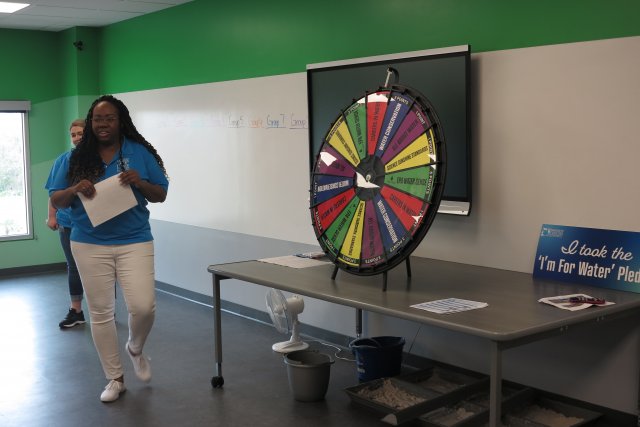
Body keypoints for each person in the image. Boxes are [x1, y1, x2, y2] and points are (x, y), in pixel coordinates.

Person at [46, 95, 169, 403]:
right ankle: (114, 378)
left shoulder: (138, 153)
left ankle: (135, 347)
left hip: (135, 240)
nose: (103, 124)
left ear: (120, 121)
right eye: (98, 119)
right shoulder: (72, 159)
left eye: (109, 118)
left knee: (143, 306)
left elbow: (160, 194)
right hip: (89, 243)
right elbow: (58, 199)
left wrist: (139, 182)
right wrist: (74, 188)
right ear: (91, 123)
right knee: (101, 313)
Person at [46, 119, 86, 328]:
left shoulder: (102, 159)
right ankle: (76, 310)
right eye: (74, 134)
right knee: (74, 267)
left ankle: (107, 310)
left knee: (103, 267)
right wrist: (52, 216)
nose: (78, 137)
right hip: (67, 223)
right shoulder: (63, 160)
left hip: (95, 224)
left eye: (81, 133)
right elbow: (54, 193)